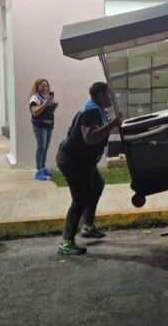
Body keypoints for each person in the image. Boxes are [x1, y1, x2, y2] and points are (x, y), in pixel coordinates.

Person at [56, 82, 122, 256]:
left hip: (84, 161)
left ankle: (87, 225)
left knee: (97, 184)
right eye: (108, 94)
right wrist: (112, 124)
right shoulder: (92, 110)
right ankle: (66, 241)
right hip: (73, 161)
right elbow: (90, 138)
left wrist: (109, 122)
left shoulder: (97, 109)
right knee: (80, 199)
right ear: (100, 95)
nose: (111, 97)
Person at [29, 78, 59, 180]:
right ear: (37, 87)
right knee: (41, 147)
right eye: (42, 86)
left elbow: (45, 112)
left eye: (46, 86)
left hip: (48, 126)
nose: (45, 88)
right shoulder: (35, 98)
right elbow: (35, 112)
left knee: (45, 147)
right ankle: (39, 171)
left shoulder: (45, 98)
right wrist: (46, 103)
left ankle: (43, 167)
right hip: (39, 126)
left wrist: (53, 107)